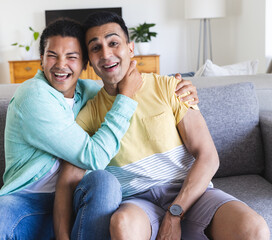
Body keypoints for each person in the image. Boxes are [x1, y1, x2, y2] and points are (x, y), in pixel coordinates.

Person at [0, 19, 198, 239]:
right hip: (28, 200)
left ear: (85, 63)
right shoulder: (33, 96)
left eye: (72, 57)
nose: (61, 65)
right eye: (52, 56)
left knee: (105, 182)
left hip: (77, 199)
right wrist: (126, 97)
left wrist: (178, 86)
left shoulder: (88, 93)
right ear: (41, 59)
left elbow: (129, 91)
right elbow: (93, 156)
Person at [54, 12, 270, 240]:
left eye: (113, 43)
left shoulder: (171, 87)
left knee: (255, 229)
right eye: (96, 48)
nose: (106, 54)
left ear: (130, 48)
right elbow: (67, 182)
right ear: (89, 60)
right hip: (137, 204)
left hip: (191, 195)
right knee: (122, 224)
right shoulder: (89, 113)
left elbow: (208, 156)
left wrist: (174, 213)